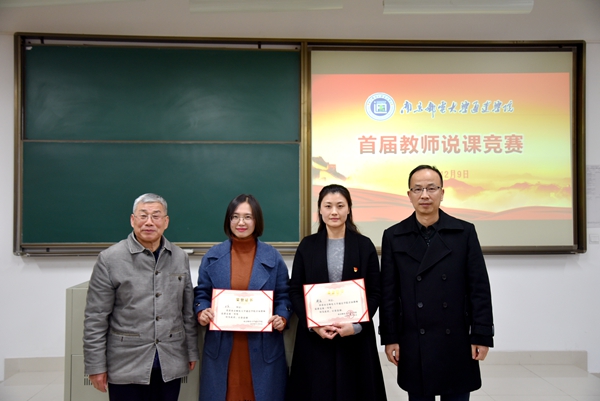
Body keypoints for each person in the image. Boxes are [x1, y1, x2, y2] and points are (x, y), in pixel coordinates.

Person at [379, 165, 494, 401]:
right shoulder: (394, 236)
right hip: (414, 338)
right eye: (418, 189)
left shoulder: (464, 232)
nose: (425, 195)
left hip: (457, 338)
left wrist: (481, 335)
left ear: (442, 193)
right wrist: (390, 337)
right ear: (409, 194)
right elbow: (389, 293)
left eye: (431, 188)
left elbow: (479, 289)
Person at [83, 193, 199, 401]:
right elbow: (96, 317)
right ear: (132, 220)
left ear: (166, 222)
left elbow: (187, 312)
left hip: (170, 359)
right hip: (126, 363)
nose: (149, 222)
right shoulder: (110, 259)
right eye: (143, 215)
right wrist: (95, 365)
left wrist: (191, 351)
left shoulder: (179, 257)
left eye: (156, 216)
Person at [286, 184, 387, 401]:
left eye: (340, 206)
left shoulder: (364, 245)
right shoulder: (307, 246)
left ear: (349, 209)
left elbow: (375, 292)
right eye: (328, 206)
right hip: (315, 339)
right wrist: (313, 325)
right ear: (320, 210)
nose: (334, 212)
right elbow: (295, 291)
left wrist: (356, 326)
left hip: (355, 338)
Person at [194, 194, 292, 401]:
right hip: (223, 348)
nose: (241, 222)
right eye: (235, 217)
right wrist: (202, 311)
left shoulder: (273, 257)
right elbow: (202, 292)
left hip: (263, 347)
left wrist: (281, 317)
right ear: (228, 220)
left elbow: (284, 295)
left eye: (248, 217)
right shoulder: (212, 256)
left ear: (257, 221)